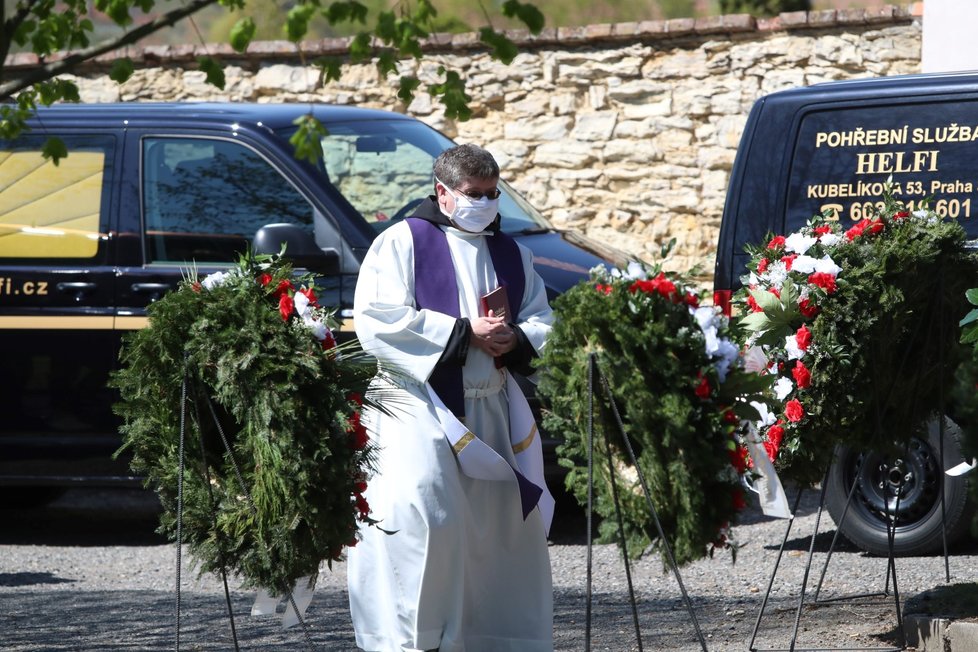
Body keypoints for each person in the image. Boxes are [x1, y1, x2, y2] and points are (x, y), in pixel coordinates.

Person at [347, 143, 555, 652]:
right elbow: (377, 320)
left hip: (491, 405)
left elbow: (543, 316)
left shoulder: (513, 253)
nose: (485, 204)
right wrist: (463, 332)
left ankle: (497, 640)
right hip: (417, 406)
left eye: (492, 194)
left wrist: (519, 338)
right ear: (442, 193)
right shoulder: (401, 244)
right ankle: (412, 641)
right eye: (473, 195)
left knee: (506, 533)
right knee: (427, 516)